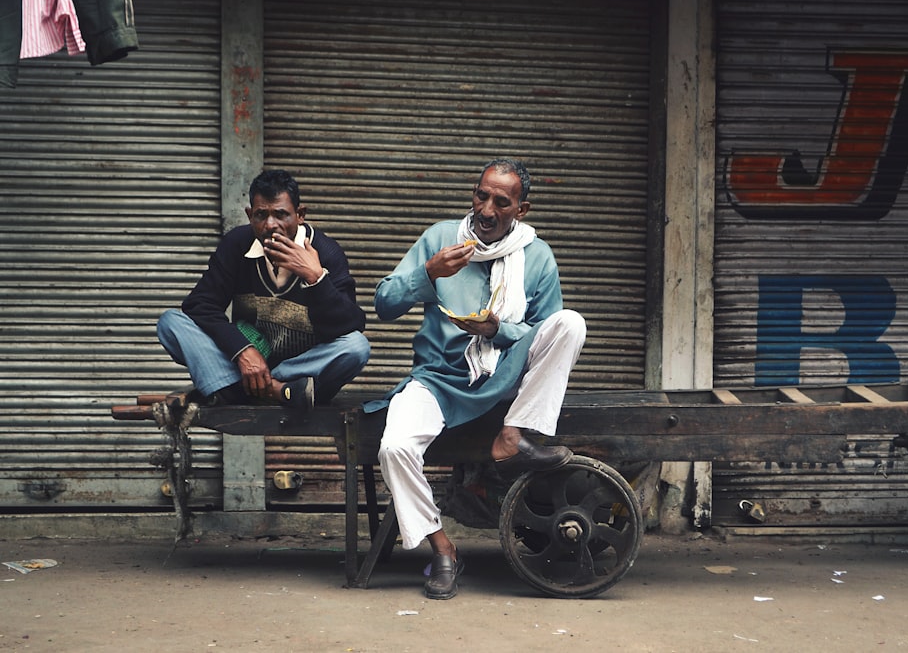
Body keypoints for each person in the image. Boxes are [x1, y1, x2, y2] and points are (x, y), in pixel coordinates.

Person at [374, 157, 587, 599]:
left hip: (506, 380)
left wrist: (497, 329)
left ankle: (513, 435)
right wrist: (428, 273)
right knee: (394, 447)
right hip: (438, 377)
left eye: (501, 202)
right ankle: (442, 548)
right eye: (480, 195)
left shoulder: (537, 255)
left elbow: (546, 333)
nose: (486, 210)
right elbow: (384, 303)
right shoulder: (440, 238)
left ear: (521, 210)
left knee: (571, 323)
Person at [157, 169, 369, 410]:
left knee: (356, 347)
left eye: (281, 215)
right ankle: (278, 393)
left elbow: (350, 325)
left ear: (300, 215)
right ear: (249, 215)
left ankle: (240, 389)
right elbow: (200, 306)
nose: (270, 225)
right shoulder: (237, 244)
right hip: (244, 367)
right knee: (170, 323)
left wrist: (315, 278)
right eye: (261, 215)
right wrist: (242, 351)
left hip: (296, 371)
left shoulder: (326, 252)